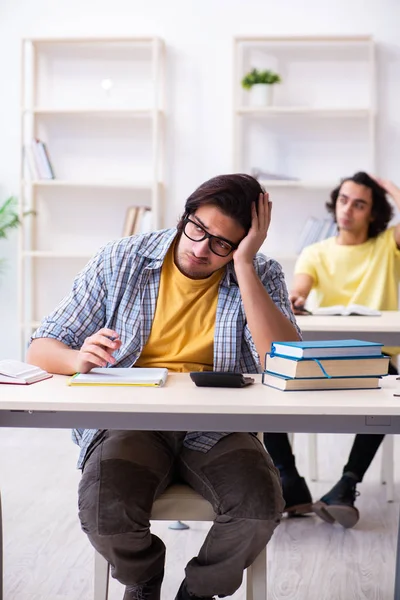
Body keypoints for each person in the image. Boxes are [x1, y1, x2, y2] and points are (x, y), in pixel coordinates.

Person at [27, 173, 301, 600]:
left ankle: (196, 593)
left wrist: (244, 266)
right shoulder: (122, 259)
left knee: (258, 508)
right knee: (104, 511)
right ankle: (143, 580)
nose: (199, 249)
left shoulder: (260, 272)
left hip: (217, 427)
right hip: (131, 423)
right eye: (197, 229)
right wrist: (75, 359)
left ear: (244, 243)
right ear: (185, 215)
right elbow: (40, 348)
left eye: (222, 245)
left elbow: (283, 362)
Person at [264, 171, 400, 529]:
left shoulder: (387, 245)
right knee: (267, 381)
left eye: (359, 204)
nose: (348, 210)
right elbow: (301, 288)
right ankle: (289, 480)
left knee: (392, 391)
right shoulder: (316, 252)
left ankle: (346, 484)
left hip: (375, 362)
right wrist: (296, 298)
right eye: (343, 200)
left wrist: (390, 189)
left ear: (372, 213)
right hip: (323, 359)